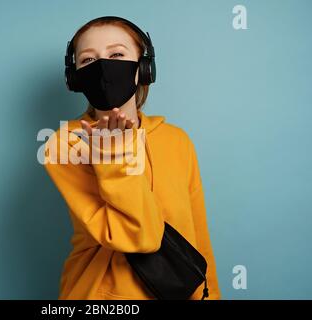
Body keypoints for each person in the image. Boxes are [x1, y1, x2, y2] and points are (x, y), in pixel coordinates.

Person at [42, 16, 221, 300]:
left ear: (143, 68)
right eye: (88, 61)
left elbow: (197, 236)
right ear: (74, 77)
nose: (102, 67)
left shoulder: (177, 141)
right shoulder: (65, 144)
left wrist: (208, 295)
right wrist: (113, 153)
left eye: (116, 54)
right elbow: (141, 236)